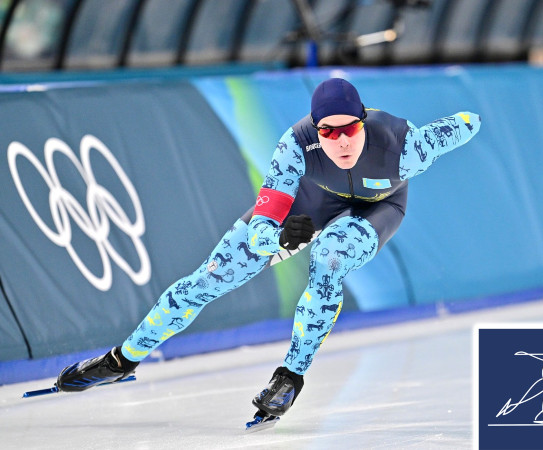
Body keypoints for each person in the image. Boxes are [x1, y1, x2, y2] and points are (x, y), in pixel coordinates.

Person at [56, 78, 481, 423]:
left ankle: (290, 377)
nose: (341, 141)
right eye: (328, 132)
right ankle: (122, 359)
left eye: (350, 129)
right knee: (209, 278)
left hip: (377, 208)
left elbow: (465, 123)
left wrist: (473, 116)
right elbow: (264, 217)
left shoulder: (405, 147)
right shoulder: (295, 144)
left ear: (364, 122)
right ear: (315, 130)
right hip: (312, 202)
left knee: (329, 257)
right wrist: (277, 238)